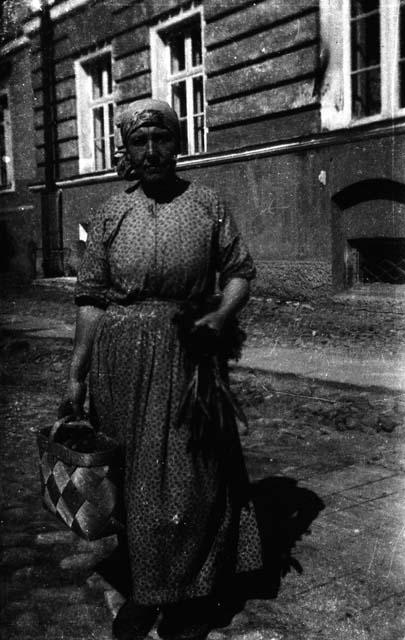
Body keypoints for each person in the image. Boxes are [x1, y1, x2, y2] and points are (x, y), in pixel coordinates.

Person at [65, 99, 262, 640]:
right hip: (120, 362)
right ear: (125, 151)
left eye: (163, 140)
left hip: (187, 359)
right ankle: (144, 590)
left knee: (188, 477)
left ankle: (187, 596)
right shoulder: (109, 213)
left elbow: (240, 271)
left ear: (179, 143)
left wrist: (221, 316)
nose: (152, 152)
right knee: (128, 478)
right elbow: (90, 300)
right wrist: (77, 376)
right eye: (139, 143)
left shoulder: (207, 205)